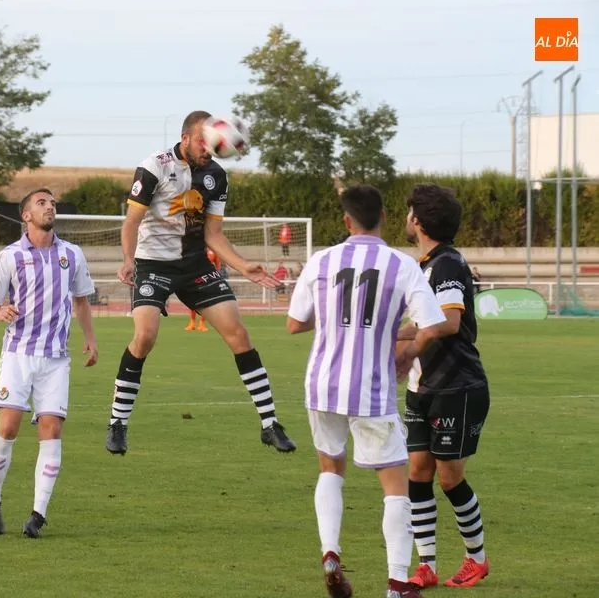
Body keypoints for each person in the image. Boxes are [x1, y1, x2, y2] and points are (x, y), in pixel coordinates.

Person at [286, 185, 448, 598]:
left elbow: (294, 322)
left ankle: (330, 552)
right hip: (371, 388)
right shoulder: (401, 264)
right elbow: (432, 324)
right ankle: (397, 583)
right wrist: (408, 352)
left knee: (330, 468)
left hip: (322, 385)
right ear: (385, 218)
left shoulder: (322, 260)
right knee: (395, 485)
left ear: (346, 221)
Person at [106, 110, 295, 455]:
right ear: (187, 138)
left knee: (238, 334)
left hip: (194, 264)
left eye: (212, 145)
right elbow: (131, 222)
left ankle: (270, 424)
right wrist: (129, 260)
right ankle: (118, 422)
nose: (209, 151)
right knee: (145, 336)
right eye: (203, 144)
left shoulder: (216, 175)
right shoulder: (154, 166)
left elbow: (214, 234)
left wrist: (243, 266)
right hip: (152, 263)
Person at [0, 188, 98, 538]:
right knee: (9, 428)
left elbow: (81, 300)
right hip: (19, 353)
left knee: (52, 429)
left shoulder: (72, 254)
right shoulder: (10, 257)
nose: (50, 207)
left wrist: (90, 339)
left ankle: (37, 515)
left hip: (56, 359)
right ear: (26, 216)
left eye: (52, 203)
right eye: (42, 203)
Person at [400, 183, 492, 589]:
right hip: (424, 386)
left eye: (408, 212)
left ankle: (477, 559)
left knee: (449, 478)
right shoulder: (425, 265)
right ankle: (427, 565)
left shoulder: (447, 264)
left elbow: (450, 321)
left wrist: (402, 338)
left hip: (458, 386)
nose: (405, 218)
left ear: (418, 220)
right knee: (417, 473)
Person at [185, 248, 223, 332]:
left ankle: (202, 323)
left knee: (206, 302)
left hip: (208, 279)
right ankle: (192, 323)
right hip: (195, 278)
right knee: (193, 301)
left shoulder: (213, 251)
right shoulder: (196, 250)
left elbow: (217, 264)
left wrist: (216, 274)